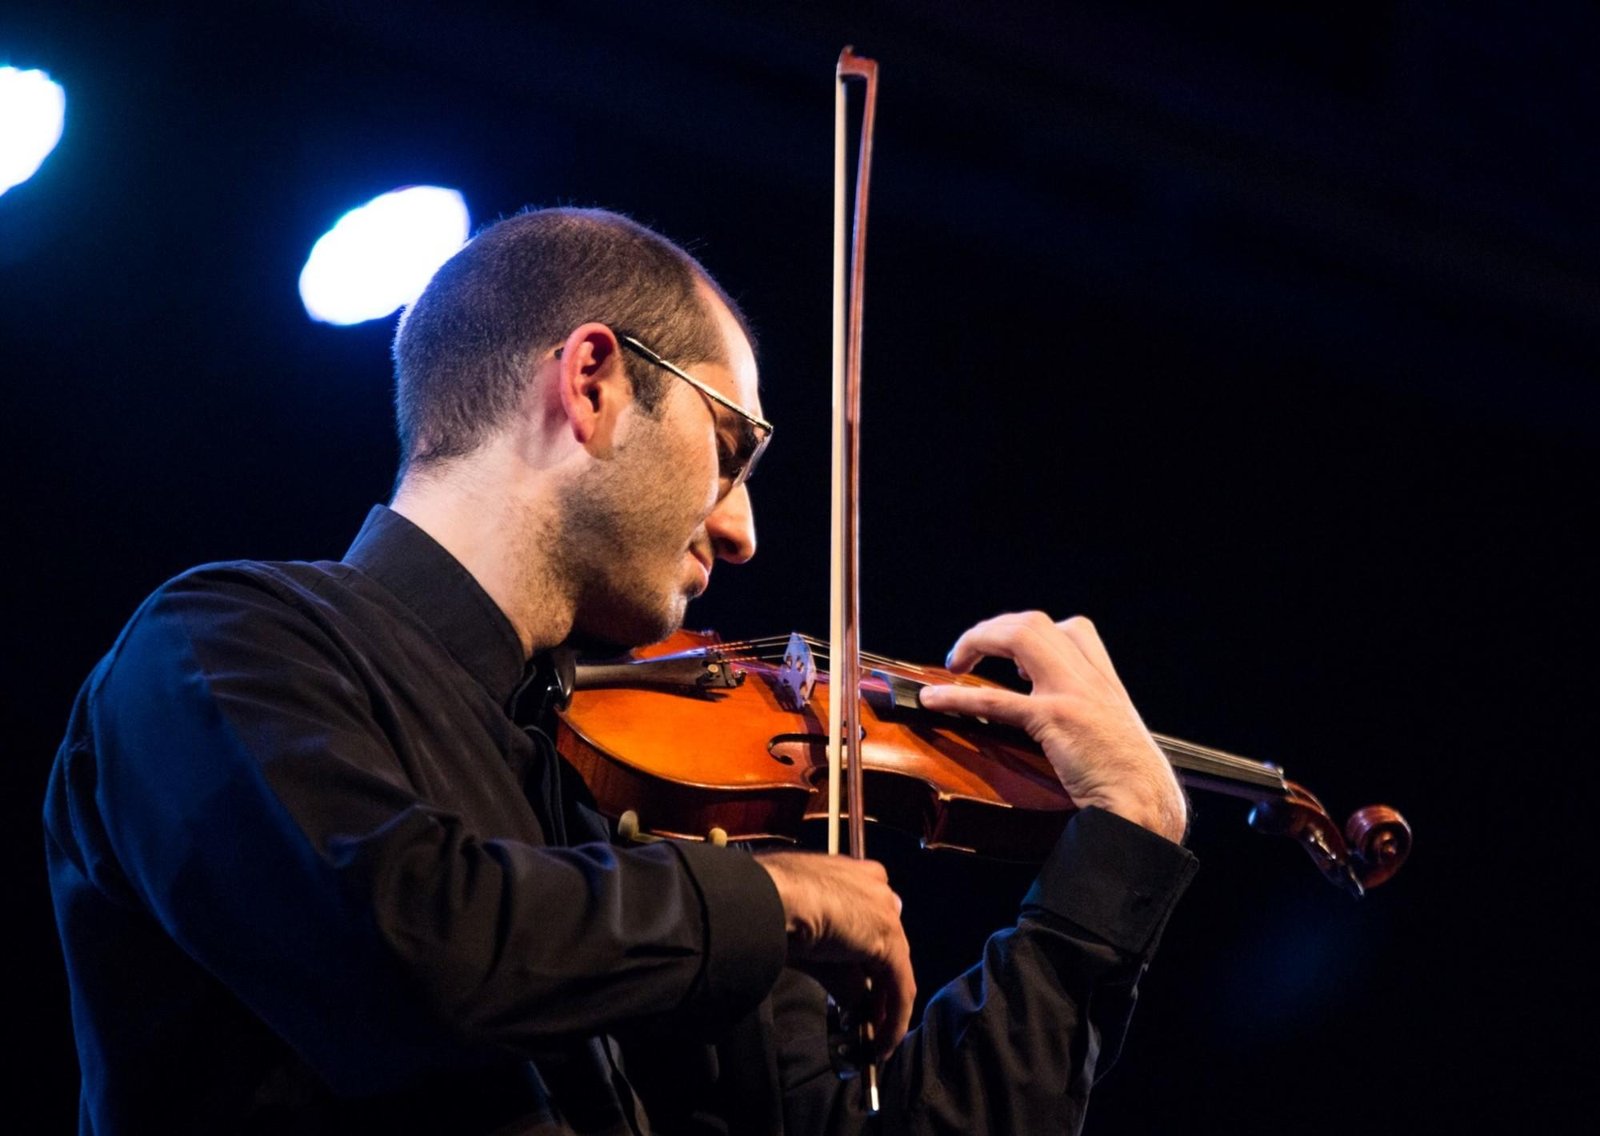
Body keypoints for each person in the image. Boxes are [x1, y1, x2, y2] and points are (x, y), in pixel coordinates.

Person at [45, 206, 1197, 1134]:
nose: (742, 529)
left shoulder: (632, 811)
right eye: (732, 449)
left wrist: (1116, 851)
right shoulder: (224, 642)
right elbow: (411, 941)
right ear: (592, 380)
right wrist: (780, 897)